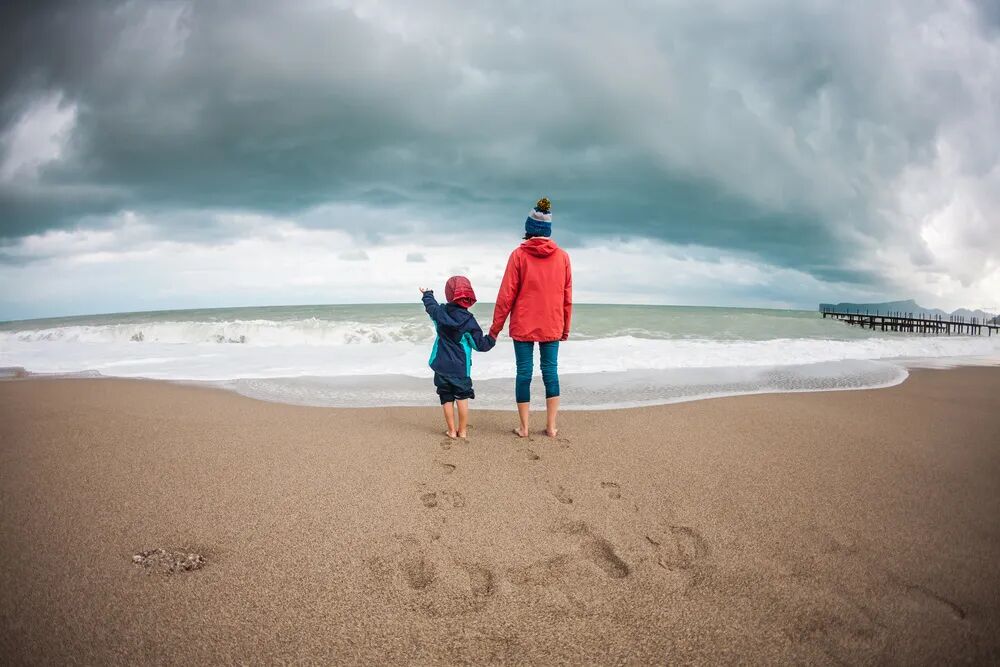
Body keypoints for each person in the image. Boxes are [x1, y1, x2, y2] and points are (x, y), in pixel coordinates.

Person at [490, 197, 572, 438]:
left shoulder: (518, 255)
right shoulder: (563, 257)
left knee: (524, 373)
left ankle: (524, 428)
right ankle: (551, 427)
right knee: (550, 372)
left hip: (523, 323)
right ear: (548, 231)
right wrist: (565, 327)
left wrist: (495, 329)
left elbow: (506, 295)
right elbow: (567, 296)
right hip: (552, 322)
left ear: (528, 229)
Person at [420, 276, 496, 439]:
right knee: (462, 397)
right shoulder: (469, 321)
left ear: (449, 294)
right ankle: (462, 431)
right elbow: (480, 345)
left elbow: (430, 306)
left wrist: (427, 293)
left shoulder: (439, 313)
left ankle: (451, 431)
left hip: (440, 366)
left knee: (446, 397)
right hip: (460, 369)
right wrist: (492, 336)